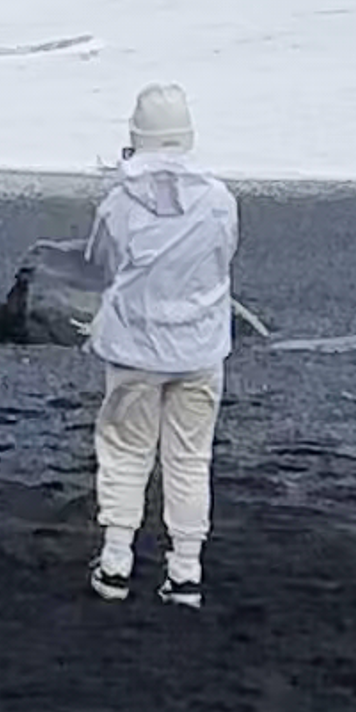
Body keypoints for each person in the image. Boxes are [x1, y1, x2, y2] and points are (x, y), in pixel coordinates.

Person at [82, 80, 239, 610]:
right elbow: (224, 258)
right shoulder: (219, 201)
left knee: (125, 453)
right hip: (199, 347)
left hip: (134, 348)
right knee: (191, 458)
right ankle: (186, 568)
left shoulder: (119, 203)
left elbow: (103, 263)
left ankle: (116, 560)